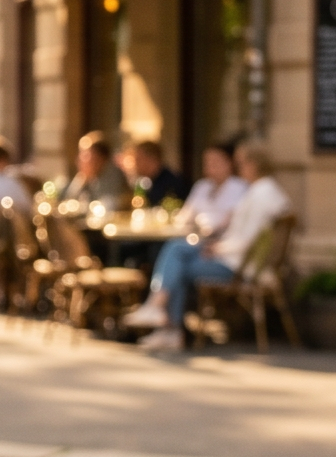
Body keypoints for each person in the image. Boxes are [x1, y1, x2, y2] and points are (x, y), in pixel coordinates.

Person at [126, 141, 291, 352]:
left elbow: (246, 241)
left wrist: (218, 248)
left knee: (177, 260)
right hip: (236, 260)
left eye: (240, 164)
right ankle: (164, 320)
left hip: (238, 266)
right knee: (177, 251)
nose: (239, 169)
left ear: (253, 165)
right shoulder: (263, 191)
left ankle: (165, 321)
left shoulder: (260, 194)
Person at [173, 141, 246, 238]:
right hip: (196, 238)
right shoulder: (201, 186)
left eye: (215, 162)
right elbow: (184, 217)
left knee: (176, 247)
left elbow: (232, 221)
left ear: (229, 163)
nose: (210, 167)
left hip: (223, 241)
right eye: (207, 162)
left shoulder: (240, 188)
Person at [62, 130, 130, 209]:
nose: (79, 160)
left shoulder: (113, 175)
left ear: (99, 158)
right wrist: (80, 180)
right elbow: (69, 200)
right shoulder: (91, 176)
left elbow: (108, 207)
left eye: (85, 155)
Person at [124, 139, 189, 209]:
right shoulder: (147, 182)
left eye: (138, 159)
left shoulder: (173, 183)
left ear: (151, 159)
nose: (135, 164)